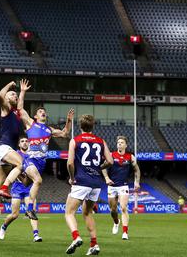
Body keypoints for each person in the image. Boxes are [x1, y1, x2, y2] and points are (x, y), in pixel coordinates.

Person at [64, 114, 113, 255]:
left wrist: (72, 178)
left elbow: (70, 163)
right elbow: (110, 161)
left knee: (69, 212)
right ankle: (94, 244)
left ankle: (76, 237)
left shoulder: (75, 141)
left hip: (81, 181)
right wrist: (99, 167)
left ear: (80, 126)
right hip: (96, 183)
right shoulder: (100, 141)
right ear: (93, 126)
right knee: (87, 212)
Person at [0, 80, 31, 234]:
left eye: (15, 95)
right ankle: (6, 188)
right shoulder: (5, 109)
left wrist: (22, 91)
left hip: (6, 150)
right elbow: (0, 96)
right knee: (21, 163)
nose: (15, 95)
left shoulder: (17, 113)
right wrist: (8, 85)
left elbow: (21, 106)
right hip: (3, 147)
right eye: (12, 94)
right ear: (7, 98)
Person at [17, 105, 74, 221]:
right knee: (38, 180)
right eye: (40, 111)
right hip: (30, 159)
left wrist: (68, 120)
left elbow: (65, 133)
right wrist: (22, 91)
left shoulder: (49, 129)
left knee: (27, 183)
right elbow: (20, 108)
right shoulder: (31, 124)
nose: (43, 112)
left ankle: (17, 172)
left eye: (44, 111)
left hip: (41, 163)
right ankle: (29, 209)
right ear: (36, 116)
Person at [0, 137, 41, 242]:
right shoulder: (15, 155)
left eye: (26, 141)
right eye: (22, 141)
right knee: (15, 214)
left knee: (32, 211)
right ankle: (4, 227)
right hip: (17, 187)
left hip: (29, 188)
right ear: (19, 144)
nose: (25, 143)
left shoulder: (32, 156)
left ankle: (36, 235)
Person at [102, 136, 141, 240]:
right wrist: (106, 178)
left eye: (122, 142)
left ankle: (125, 233)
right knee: (113, 210)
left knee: (123, 208)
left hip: (123, 186)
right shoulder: (111, 155)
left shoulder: (130, 157)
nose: (119, 144)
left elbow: (137, 170)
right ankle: (116, 222)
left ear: (126, 145)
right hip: (112, 186)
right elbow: (103, 167)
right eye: (118, 142)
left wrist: (136, 182)